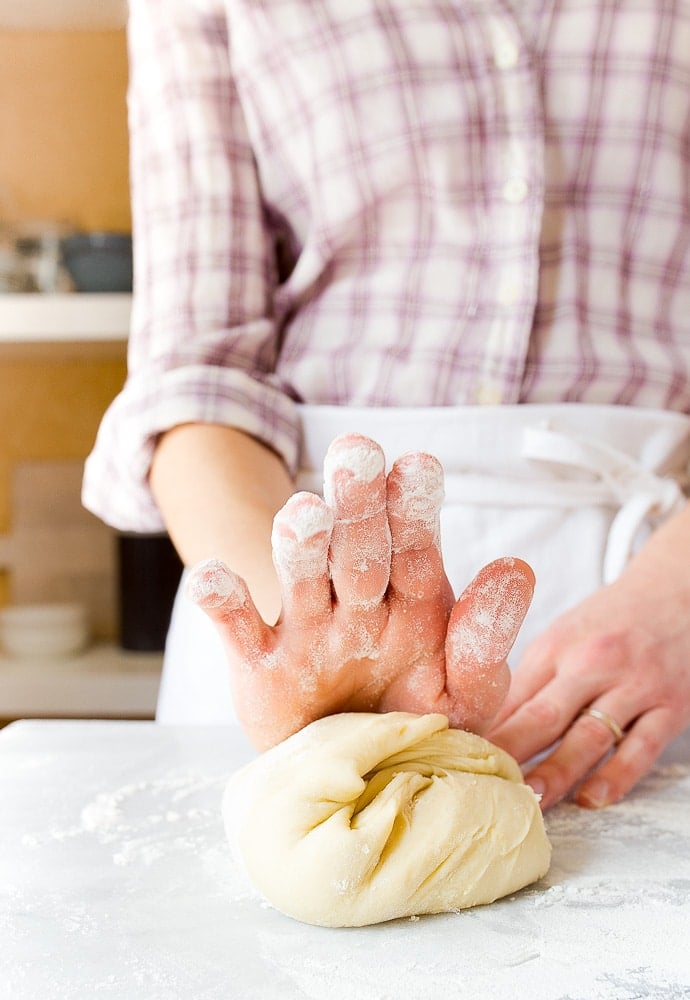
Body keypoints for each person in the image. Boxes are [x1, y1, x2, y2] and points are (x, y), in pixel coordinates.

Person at [83, 0, 690, 811]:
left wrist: (676, 599)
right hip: (297, 565)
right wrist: (303, 646)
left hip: (655, 611)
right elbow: (196, 376)